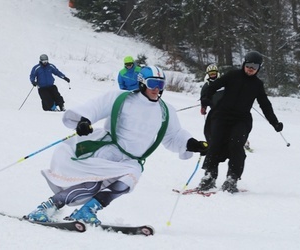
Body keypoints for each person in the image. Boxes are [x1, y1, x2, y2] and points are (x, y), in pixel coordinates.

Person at [27, 66, 208, 225]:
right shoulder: (122, 98)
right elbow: (95, 107)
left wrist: (192, 144)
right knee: (91, 185)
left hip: (132, 160)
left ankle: (86, 211)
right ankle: (46, 208)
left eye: (160, 85)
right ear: (142, 83)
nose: (156, 89)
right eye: (152, 83)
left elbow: (174, 135)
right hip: (109, 150)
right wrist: (83, 121)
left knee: (128, 181)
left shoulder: (165, 110)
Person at [196, 51, 283, 193]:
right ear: (244, 64)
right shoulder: (232, 75)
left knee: (236, 145)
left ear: (258, 69)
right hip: (221, 114)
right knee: (215, 143)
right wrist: (205, 98)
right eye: (249, 65)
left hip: (241, 119)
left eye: (254, 67)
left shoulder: (257, 85)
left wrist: (275, 122)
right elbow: (213, 86)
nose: (250, 69)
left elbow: (265, 105)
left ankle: (232, 178)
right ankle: (209, 176)